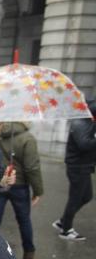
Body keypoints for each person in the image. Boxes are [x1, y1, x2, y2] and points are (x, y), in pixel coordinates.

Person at [0, 122, 43, 259]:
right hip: (20, 186)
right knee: (24, 220)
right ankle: (29, 254)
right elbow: (32, 167)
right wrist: (37, 190)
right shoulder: (27, 138)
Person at [54, 99, 96, 241]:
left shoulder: (88, 122)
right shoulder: (81, 123)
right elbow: (84, 145)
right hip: (77, 167)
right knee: (75, 199)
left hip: (84, 166)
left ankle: (63, 221)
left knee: (87, 196)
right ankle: (66, 230)